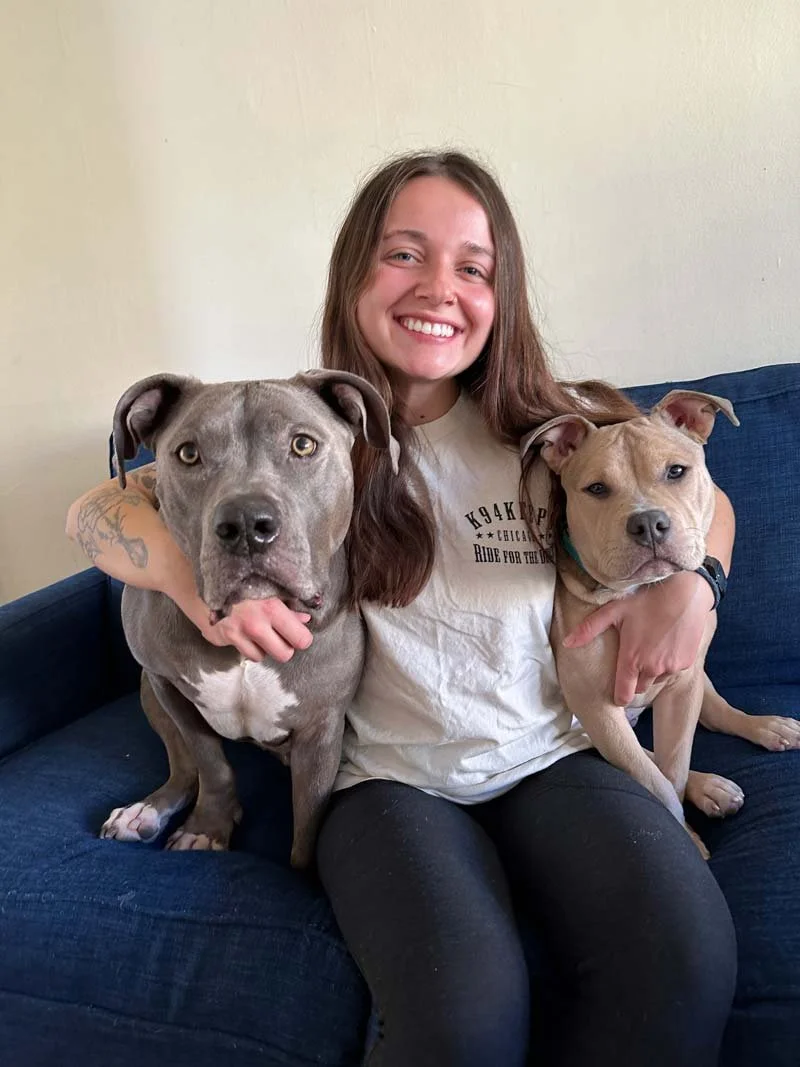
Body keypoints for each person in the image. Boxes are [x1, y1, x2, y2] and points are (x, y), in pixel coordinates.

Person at [67, 150, 737, 1067]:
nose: (439, 289)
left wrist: (697, 591)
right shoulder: (308, 428)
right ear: (353, 275)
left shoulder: (554, 426)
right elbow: (97, 509)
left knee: (684, 961)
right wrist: (199, 591)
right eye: (403, 255)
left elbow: (705, 492)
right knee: (463, 1020)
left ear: (503, 292)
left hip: (551, 755)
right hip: (382, 783)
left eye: (473, 266)